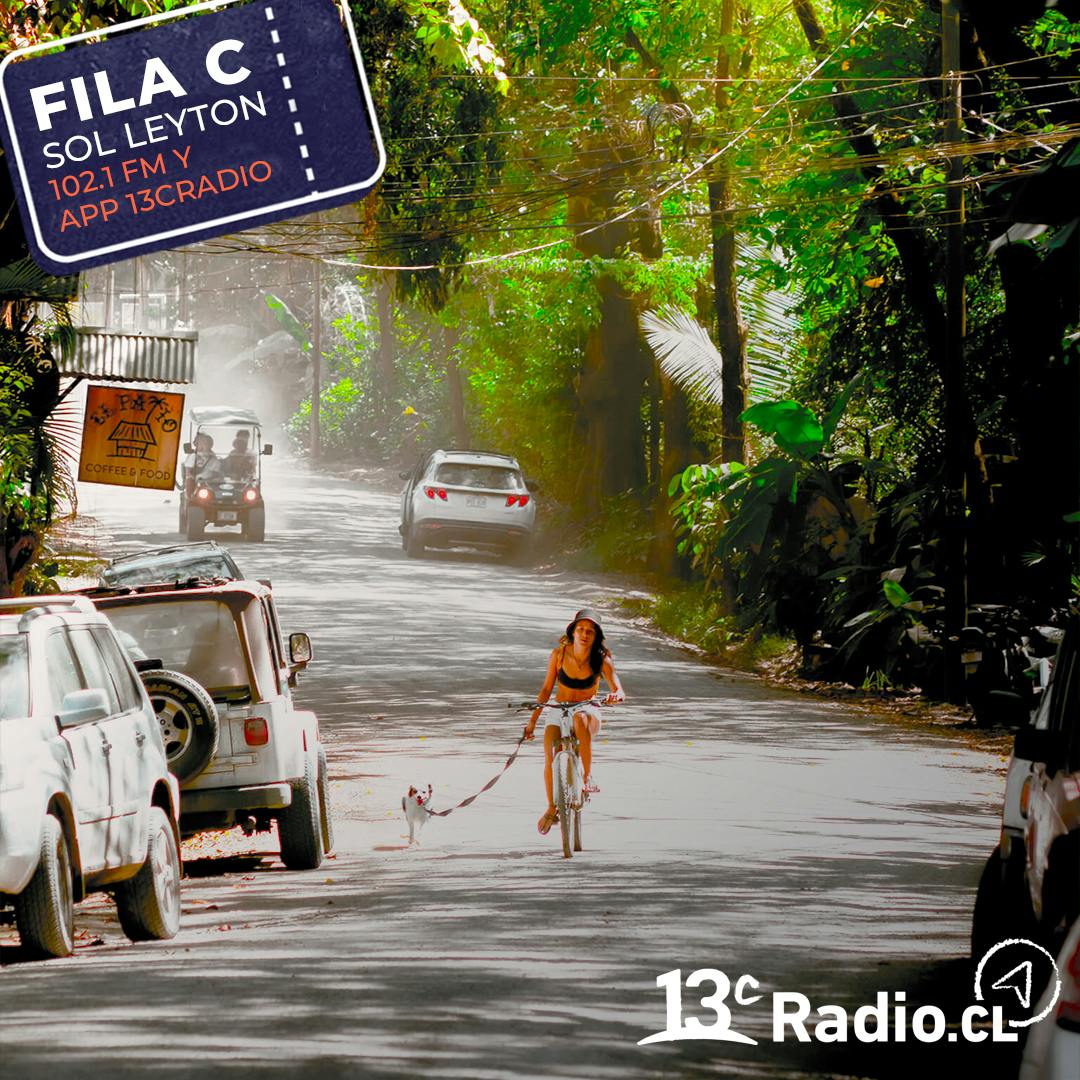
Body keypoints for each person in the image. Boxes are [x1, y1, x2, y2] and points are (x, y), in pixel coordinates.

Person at [524, 608, 625, 835]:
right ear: (573, 631)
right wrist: (532, 722)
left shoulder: (602, 659)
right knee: (550, 753)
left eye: (590, 631)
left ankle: (587, 777)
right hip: (558, 709)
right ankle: (552, 808)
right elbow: (546, 689)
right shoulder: (558, 655)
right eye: (580, 629)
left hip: (587, 710)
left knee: (579, 719)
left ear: (596, 635)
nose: (584, 634)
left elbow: (618, 687)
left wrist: (616, 695)